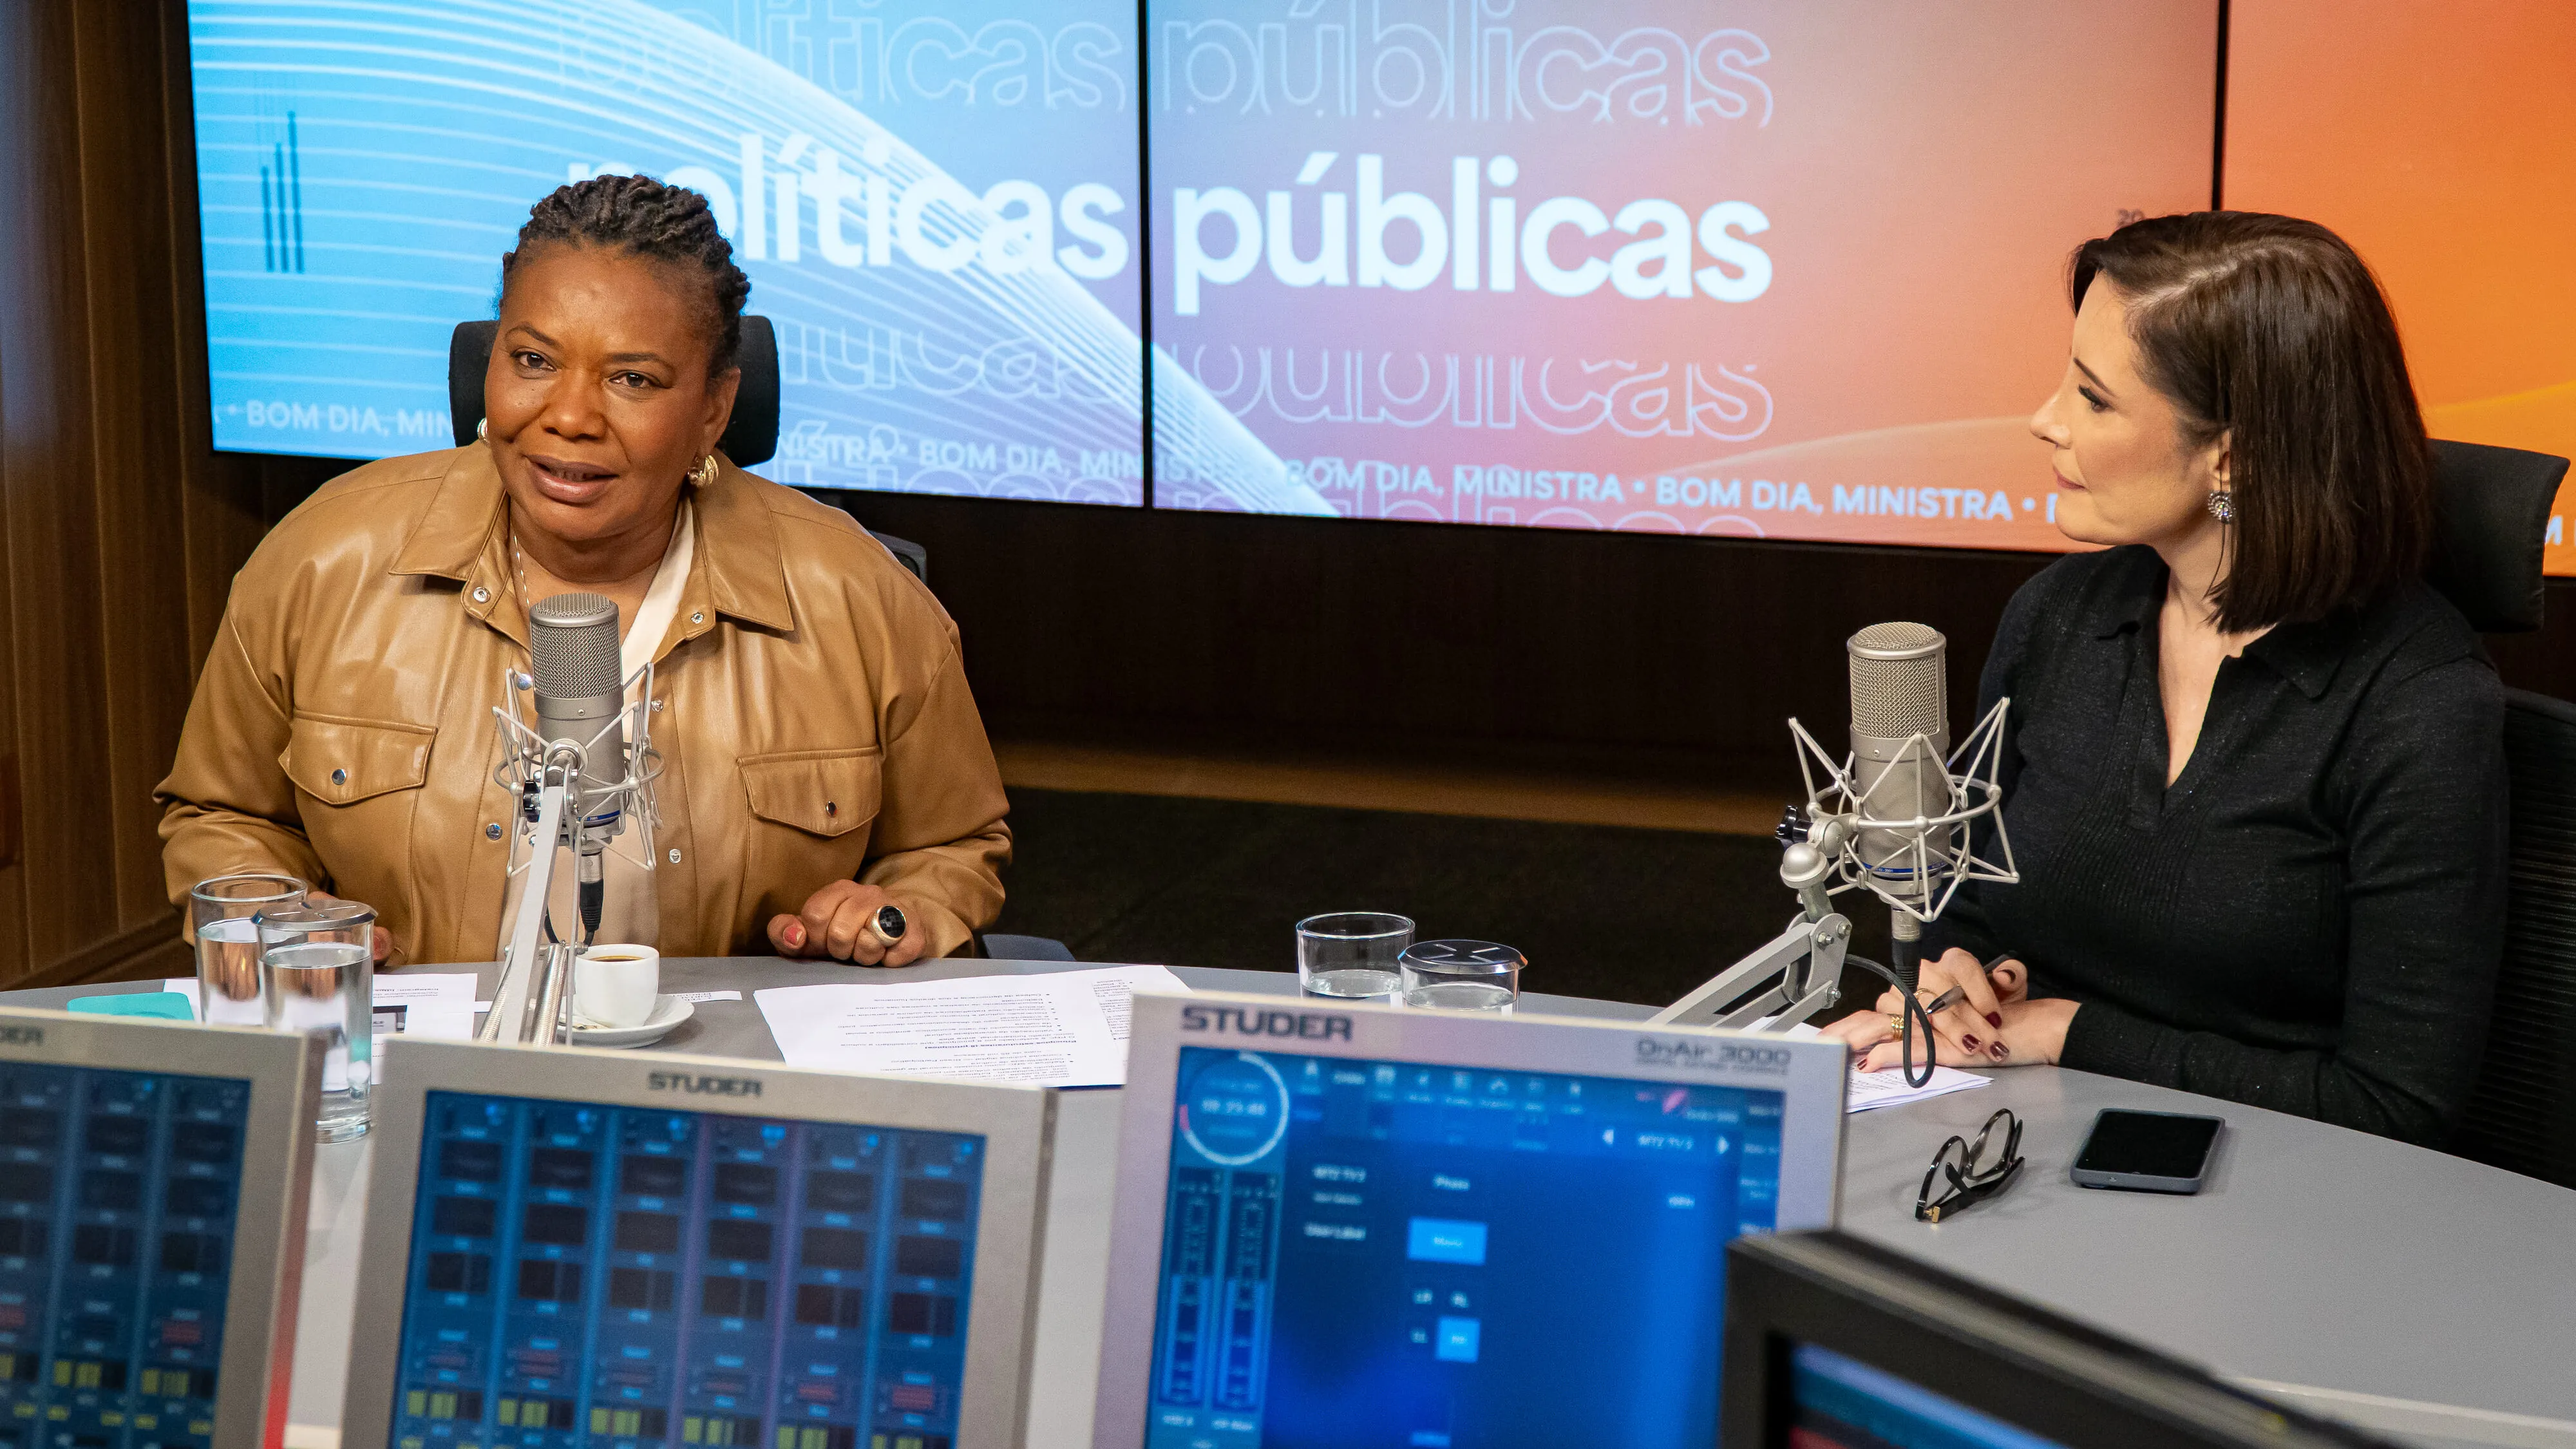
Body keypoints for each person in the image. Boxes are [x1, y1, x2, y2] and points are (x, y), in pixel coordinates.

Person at [157, 175, 1010, 968]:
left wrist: (898, 914)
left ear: (715, 407)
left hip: (724, 1062)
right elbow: (221, 815)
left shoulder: (857, 594)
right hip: (418, 1059)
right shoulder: (323, 560)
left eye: (632, 378)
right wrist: (273, 915)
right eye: (533, 361)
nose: (568, 416)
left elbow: (950, 847)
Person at [1821, 212, 2505, 1146]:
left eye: (2094, 399)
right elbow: (1971, 905)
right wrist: (1955, 987)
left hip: (2285, 1183)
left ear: (2233, 454)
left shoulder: (2418, 702)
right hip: (2021, 1135)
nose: (2046, 420)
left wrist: (2072, 1035)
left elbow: (2396, 1106)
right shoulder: (2057, 617)